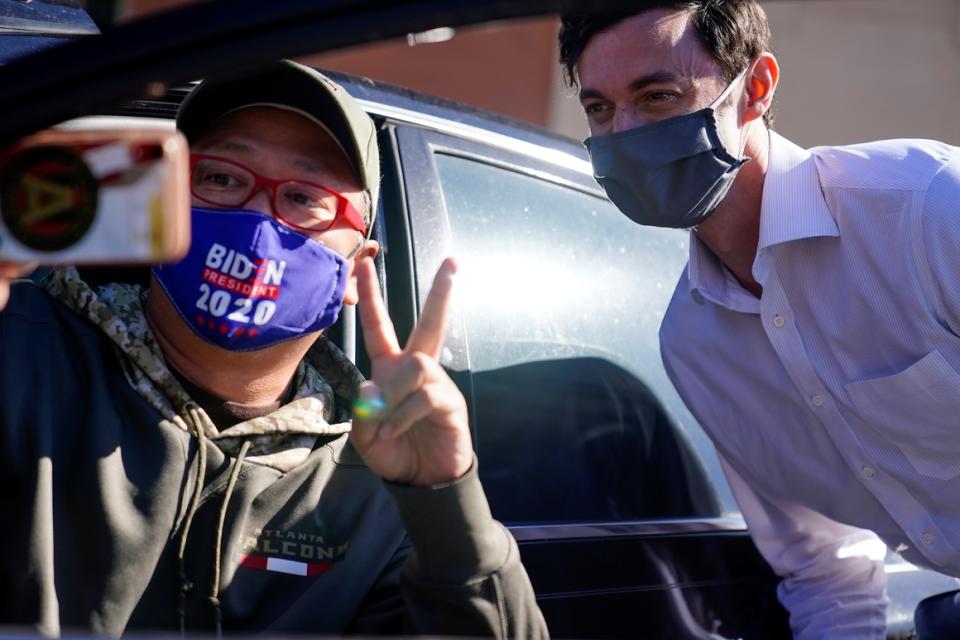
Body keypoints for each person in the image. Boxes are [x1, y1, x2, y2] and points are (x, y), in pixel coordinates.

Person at [0, 60, 547, 638]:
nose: (258, 218)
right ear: (156, 206)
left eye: (305, 197)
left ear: (358, 270)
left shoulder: (378, 483)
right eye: (220, 179)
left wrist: (446, 502)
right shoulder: (20, 356)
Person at [559, 2, 960, 639]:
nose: (623, 134)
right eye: (599, 108)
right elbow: (826, 571)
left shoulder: (930, 205)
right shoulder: (693, 347)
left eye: (658, 95)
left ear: (757, 87)